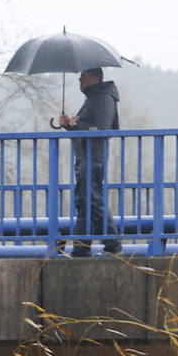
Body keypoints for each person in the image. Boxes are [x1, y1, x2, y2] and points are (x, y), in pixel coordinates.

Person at [57, 68, 122, 257]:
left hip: (93, 158)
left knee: (92, 200)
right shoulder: (94, 98)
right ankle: (81, 248)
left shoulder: (103, 98)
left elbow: (101, 128)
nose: (79, 80)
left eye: (83, 77)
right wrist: (69, 124)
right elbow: (85, 127)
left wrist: (76, 123)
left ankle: (113, 244)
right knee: (84, 202)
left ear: (94, 79)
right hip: (85, 156)